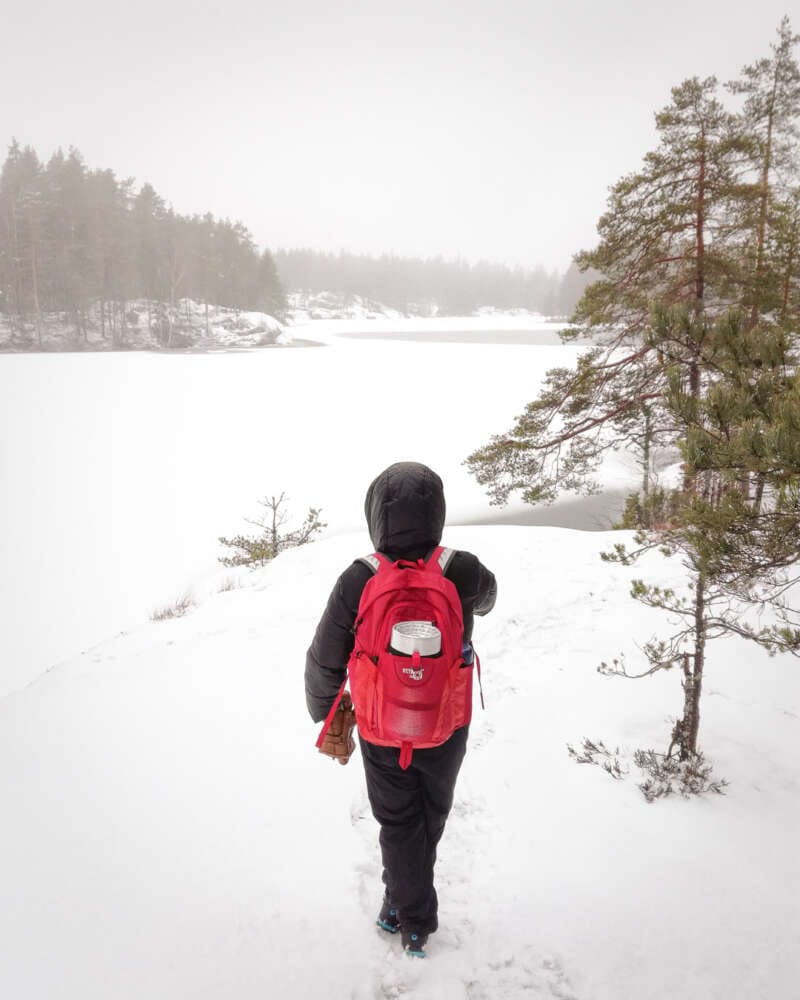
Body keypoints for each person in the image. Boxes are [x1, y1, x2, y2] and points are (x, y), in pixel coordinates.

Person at [305, 461, 497, 955]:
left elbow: (325, 654)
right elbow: (490, 599)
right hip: (446, 719)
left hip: (379, 723)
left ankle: (407, 913)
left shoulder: (359, 577)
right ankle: (410, 909)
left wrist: (324, 712)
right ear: (436, 511)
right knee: (429, 814)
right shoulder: (462, 568)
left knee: (397, 819)